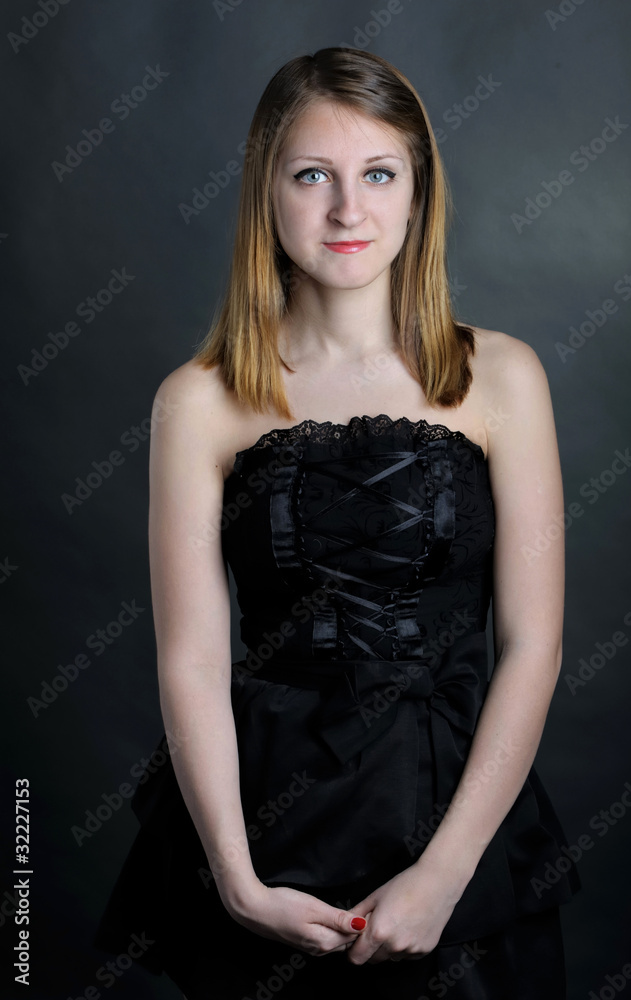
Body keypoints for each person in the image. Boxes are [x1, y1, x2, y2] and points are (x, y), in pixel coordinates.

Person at [94, 47, 580, 998]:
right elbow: (191, 659)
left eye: (378, 175)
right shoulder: (197, 401)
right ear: (266, 193)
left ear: (417, 191)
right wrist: (236, 881)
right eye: (312, 175)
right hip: (270, 837)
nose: (348, 211)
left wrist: (445, 874)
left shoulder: (504, 378)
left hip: (460, 829)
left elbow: (534, 643)